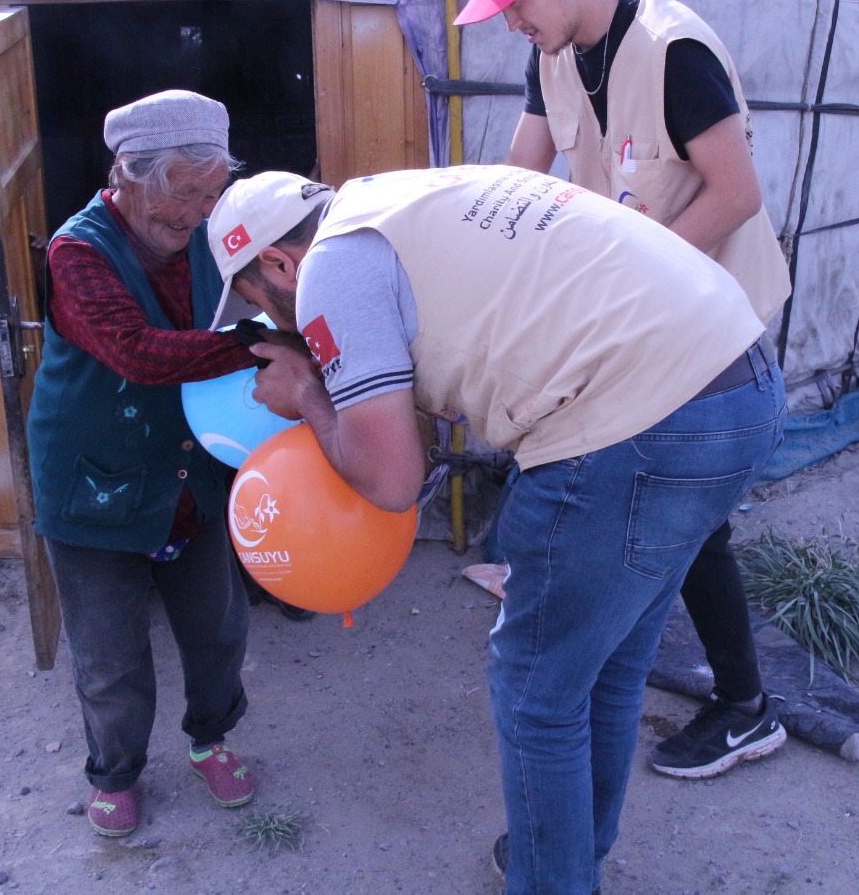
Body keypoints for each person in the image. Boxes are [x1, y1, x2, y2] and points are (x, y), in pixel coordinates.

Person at [206, 165, 784, 895]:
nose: (274, 324)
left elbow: (389, 481)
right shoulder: (404, 196)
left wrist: (306, 394)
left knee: (538, 690)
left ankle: (554, 880)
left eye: (260, 305)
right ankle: (570, 856)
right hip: (743, 385)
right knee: (601, 661)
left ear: (278, 263)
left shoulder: (333, 269)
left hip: (639, 427)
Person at [455, 0, 794, 781]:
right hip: (636, 313)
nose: (515, 27)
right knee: (651, 494)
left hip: (716, 312)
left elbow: (736, 194)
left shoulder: (673, 51)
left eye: (519, 4)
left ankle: (746, 706)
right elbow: (521, 178)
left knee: (688, 509)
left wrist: (634, 274)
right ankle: (676, 664)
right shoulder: (553, 52)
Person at [26, 90, 264, 838]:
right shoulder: (77, 251)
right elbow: (135, 351)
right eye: (181, 193)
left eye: (210, 193)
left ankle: (209, 739)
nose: (196, 212)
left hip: (192, 473)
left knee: (218, 629)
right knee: (108, 653)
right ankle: (116, 772)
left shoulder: (214, 233)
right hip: (94, 476)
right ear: (126, 176)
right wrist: (264, 345)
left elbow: (269, 284)